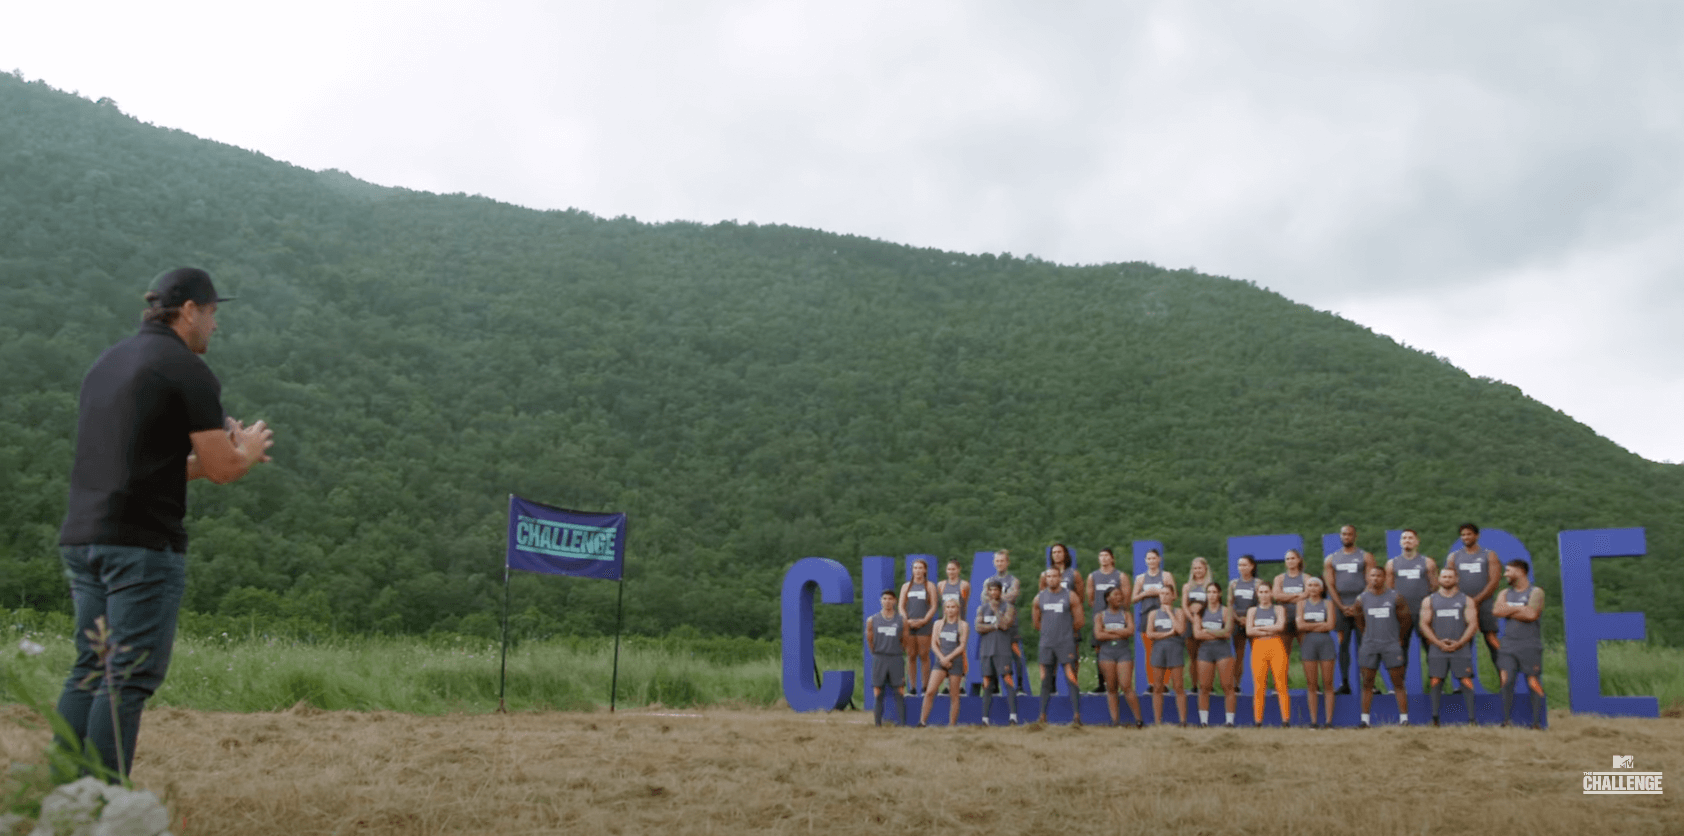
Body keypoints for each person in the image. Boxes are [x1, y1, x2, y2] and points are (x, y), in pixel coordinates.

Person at [56, 267, 273, 780]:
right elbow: (221, 469)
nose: (216, 326)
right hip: (141, 546)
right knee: (124, 681)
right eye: (214, 313)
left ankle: (64, 797)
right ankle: (104, 804)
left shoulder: (107, 363)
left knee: (89, 671)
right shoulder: (187, 370)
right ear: (190, 310)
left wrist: (226, 455)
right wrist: (248, 451)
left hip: (84, 539)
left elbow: (154, 465)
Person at [1420, 567, 1479, 726]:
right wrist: (1438, 643)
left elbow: (1473, 624)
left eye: (1450, 577)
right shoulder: (1429, 600)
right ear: (1439, 579)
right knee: (1436, 681)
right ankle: (1434, 719)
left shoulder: (1466, 600)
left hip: (1460, 649)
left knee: (1466, 681)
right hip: (1437, 649)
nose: (1446, 579)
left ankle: (1472, 720)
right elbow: (1424, 625)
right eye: (1444, 576)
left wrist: (1459, 643)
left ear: (1456, 579)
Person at [1491, 560, 1547, 729]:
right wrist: (1520, 609)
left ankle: (1537, 723)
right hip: (1508, 645)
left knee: (1533, 681)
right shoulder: (1505, 592)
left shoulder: (1536, 592)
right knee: (1506, 681)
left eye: (1508, 571)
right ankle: (1506, 721)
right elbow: (1496, 611)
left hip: (1530, 645)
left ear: (1520, 571)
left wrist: (1508, 609)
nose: (1505, 574)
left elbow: (1531, 614)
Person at [1354, 566, 1412, 727]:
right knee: (1367, 683)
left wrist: (1398, 639)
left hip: (1391, 645)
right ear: (1368, 578)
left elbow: (1406, 621)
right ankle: (1365, 721)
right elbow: (1359, 621)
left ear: (1384, 577)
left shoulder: (1396, 597)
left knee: (1398, 682)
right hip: (1370, 645)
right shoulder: (1361, 598)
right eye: (1372, 575)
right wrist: (1368, 634)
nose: (1375, 579)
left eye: (1378, 576)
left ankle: (1404, 719)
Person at [1447, 523, 1503, 684]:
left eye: (1469, 534)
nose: (1466, 537)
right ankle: (1464, 685)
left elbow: (1494, 581)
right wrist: (1465, 602)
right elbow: (1450, 581)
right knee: (1463, 642)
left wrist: (1477, 601)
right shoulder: (1454, 557)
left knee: (1491, 638)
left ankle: (1506, 679)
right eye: (1463, 535)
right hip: (1462, 606)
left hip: (1485, 603)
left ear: (1477, 536)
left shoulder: (1489, 555)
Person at [1323, 526, 1376, 695]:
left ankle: (1369, 684)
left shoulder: (1365, 556)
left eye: (1349, 534)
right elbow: (1330, 585)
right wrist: (1341, 606)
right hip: (1341, 609)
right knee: (1343, 645)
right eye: (1344, 534)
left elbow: (1371, 582)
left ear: (1355, 536)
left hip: (1362, 608)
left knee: (1365, 646)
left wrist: (1357, 605)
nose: (1346, 537)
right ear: (1340, 536)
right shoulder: (1331, 559)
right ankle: (1345, 683)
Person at [1033, 568, 1085, 725]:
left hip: (1065, 643)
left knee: (1071, 678)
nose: (1051, 579)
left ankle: (1076, 716)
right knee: (1045, 680)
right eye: (1048, 576)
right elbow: (1036, 623)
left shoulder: (1070, 595)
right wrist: (1049, 633)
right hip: (1046, 644)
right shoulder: (1039, 598)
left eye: (1054, 576)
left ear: (1060, 577)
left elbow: (1079, 621)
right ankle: (1042, 717)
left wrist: (1065, 633)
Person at [1385, 529, 1438, 679]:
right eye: (1404, 538)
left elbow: (1435, 588)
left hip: (1424, 613)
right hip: (1401, 615)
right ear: (1400, 542)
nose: (1407, 540)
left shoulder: (1428, 562)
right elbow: (1389, 592)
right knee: (1400, 649)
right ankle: (1398, 686)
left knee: (1430, 648)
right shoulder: (1391, 564)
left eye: (1410, 538)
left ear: (1417, 541)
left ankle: (1436, 683)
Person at [1093, 585, 1143, 727]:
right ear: (1108, 598)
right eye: (1115, 595)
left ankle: (1138, 720)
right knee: (1111, 687)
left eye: (1120, 595)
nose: (1119, 597)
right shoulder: (1100, 616)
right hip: (1106, 654)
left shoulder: (1126, 614)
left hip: (1123, 653)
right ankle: (1115, 721)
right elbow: (1098, 634)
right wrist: (1119, 631)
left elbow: (1131, 631)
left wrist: (1109, 632)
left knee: (1126, 685)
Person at [1190, 581, 1238, 727]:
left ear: (1219, 594)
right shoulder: (1200, 612)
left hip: (1222, 651)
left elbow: (1227, 633)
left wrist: (1207, 631)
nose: (1211, 595)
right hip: (1205, 651)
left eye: (1214, 592)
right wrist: (1217, 633)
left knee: (1227, 686)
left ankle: (1229, 722)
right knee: (1204, 687)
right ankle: (1204, 722)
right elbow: (1197, 635)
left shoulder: (1225, 611)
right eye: (1209, 592)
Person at [974, 579, 1020, 725]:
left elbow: (1005, 625)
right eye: (991, 590)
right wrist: (994, 626)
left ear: (1001, 591)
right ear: (987, 591)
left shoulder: (1008, 607)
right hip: (986, 650)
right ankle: (985, 719)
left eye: (996, 590)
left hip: (1002, 650)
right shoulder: (982, 608)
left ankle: (1013, 716)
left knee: (1007, 680)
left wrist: (995, 611)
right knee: (987, 683)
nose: (993, 592)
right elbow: (978, 627)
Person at [919, 598, 970, 727]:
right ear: (944, 609)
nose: (950, 609)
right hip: (940, 662)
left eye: (953, 607)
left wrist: (949, 658)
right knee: (930, 691)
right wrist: (942, 658)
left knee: (954, 695)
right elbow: (934, 644)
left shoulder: (963, 625)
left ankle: (952, 725)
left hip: (955, 662)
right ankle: (922, 722)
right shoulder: (938, 624)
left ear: (957, 609)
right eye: (948, 607)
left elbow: (962, 646)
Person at [1295, 577, 1337, 728]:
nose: (1313, 588)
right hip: (1308, 644)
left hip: (1325, 644)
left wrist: (1310, 626)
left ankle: (1328, 721)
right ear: (1306, 588)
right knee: (1311, 684)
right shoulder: (1301, 604)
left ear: (1321, 588)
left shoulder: (1328, 604)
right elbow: (1300, 626)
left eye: (1316, 585)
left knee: (1328, 683)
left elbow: (1330, 625)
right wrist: (1320, 625)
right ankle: (1313, 722)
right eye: (1310, 585)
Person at [1246, 582, 1291, 726]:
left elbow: (1280, 626)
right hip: (1259, 646)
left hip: (1276, 645)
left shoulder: (1278, 608)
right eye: (1261, 592)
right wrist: (1269, 629)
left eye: (1266, 592)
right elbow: (1249, 631)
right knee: (1259, 686)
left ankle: (1285, 720)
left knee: (1281, 684)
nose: (1264, 595)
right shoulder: (1252, 611)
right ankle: (1258, 721)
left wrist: (1260, 628)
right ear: (1257, 594)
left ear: (1271, 593)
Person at [1132, 548, 1176, 693]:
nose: (1151, 561)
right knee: (1150, 652)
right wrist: (1145, 593)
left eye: (1154, 558)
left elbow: (1174, 595)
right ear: (1145, 561)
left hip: (1163, 615)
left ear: (1159, 559)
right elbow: (1133, 599)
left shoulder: (1166, 576)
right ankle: (1152, 683)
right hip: (1146, 616)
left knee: (1166, 648)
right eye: (1148, 559)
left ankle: (1165, 683)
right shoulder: (1140, 578)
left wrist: (1158, 592)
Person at [1145, 586, 1187, 726]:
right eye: (1161, 593)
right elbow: (1150, 634)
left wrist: (1169, 612)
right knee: (1157, 687)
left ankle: (1182, 720)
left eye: (1167, 594)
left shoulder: (1178, 612)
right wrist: (1168, 633)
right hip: (1158, 649)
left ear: (1172, 596)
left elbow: (1180, 630)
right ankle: (1158, 721)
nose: (1164, 596)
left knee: (1178, 686)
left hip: (1175, 649)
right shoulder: (1153, 613)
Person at [989, 549, 1030, 694]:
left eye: (1002, 561)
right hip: (994, 622)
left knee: (1015, 654)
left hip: (1011, 622)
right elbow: (984, 599)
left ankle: (1019, 686)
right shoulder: (989, 581)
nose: (999, 563)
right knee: (993, 653)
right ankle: (994, 686)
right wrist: (1001, 597)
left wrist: (995, 597)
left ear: (1007, 562)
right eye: (997, 561)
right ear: (994, 563)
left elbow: (1013, 596)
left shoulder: (1013, 580)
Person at [866, 590, 910, 726]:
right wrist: (877, 652)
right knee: (878, 692)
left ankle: (902, 724)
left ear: (895, 601)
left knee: (900, 691)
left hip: (896, 657)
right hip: (879, 657)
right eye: (885, 598)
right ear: (881, 601)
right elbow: (870, 640)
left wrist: (896, 651)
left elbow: (905, 640)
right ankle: (878, 724)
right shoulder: (872, 620)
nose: (887, 601)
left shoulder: (901, 620)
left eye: (890, 599)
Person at [1087, 548, 1126, 693]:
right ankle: (1101, 683)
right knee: (1099, 650)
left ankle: (1118, 683)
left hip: (1116, 618)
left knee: (1117, 648)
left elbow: (1125, 599)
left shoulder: (1120, 576)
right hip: (1099, 618)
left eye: (1106, 556)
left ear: (1112, 559)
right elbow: (1090, 599)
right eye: (1101, 555)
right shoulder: (1093, 576)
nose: (1103, 558)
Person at [899, 559, 939, 696]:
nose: (917, 570)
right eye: (915, 568)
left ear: (925, 570)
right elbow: (901, 606)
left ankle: (925, 686)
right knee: (910, 655)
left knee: (924, 655)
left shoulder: (930, 586)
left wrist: (924, 620)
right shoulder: (906, 586)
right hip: (909, 625)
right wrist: (906, 620)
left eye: (920, 568)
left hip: (924, 625)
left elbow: (934, 606)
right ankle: (912, 687)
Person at [1181, 556, 1215, 694]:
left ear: (1205, 568)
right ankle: (1195, 686)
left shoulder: (1210, 586)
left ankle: (1208, 686)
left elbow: (1214, 604)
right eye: (1195, 568)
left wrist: (1201, 619)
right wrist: (1192, 619)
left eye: (1200, 568)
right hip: (1191, 624)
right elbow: (1184, 605)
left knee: (1208, 656)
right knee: (1193, 656)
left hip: (1207, 624)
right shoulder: (1187, 586)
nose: (1197, 570)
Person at [1228, 554, 1261, 687]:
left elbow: (1262, 604)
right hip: (1237, 622)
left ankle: (1260, 685)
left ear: (1252, 566)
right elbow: (1230, 604)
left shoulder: (1258, 583)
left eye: (1245, 565)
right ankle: (1236, 685)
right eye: (1240, 565)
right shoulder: (1233, 583)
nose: (1242, 568)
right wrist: (1237, 618)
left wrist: (1250, 619)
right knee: (1238, 656)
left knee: (1258, 656)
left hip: (1254, 621)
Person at [1272, 549, 1309, 659]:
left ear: (1298, 560)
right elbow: (1277, 596)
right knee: (1283, 654)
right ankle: (1284, 677)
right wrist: (1298, 596)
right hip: (1285, 619)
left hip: (1302, 618)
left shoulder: (1306, 577)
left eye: (1293, 558)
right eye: (1287, 559)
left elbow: (1307, 595)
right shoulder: (1279, 578)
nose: (1290, 561)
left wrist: (1286, 597)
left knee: (1307, 653)